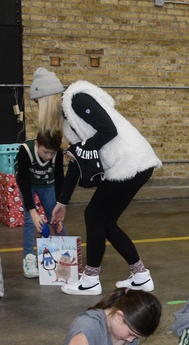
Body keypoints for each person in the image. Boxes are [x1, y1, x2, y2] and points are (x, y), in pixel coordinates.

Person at [30, 67, 162, 295]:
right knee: (106, 221)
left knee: (94, 215)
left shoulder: (77, 99)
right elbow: (77, 162)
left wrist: (79, 148)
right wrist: (62, 202)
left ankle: (90, 279)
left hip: (131, 163)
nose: (38, 109)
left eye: (38, 103)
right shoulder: (66, 118)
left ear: (47, 98)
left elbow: (108, 130)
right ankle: (141, 276)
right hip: (130, 166)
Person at [15, 129, 67, 278]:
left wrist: (60, 204)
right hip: (28, 184)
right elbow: (23, 181)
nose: (49, 157)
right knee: (31, 221)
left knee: (55, 215)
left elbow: (59, 179)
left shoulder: (56, 153)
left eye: (52, 153)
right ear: (37, 144)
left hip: (47, 184)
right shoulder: (26, 150)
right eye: (46, 152)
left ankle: (66, 253)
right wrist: (32, 211)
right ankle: (28, 258)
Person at [64, 287, 162, 345]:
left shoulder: (130, 331)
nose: (131, 340)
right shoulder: (88, 327)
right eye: (131, 334)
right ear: (119, 316)